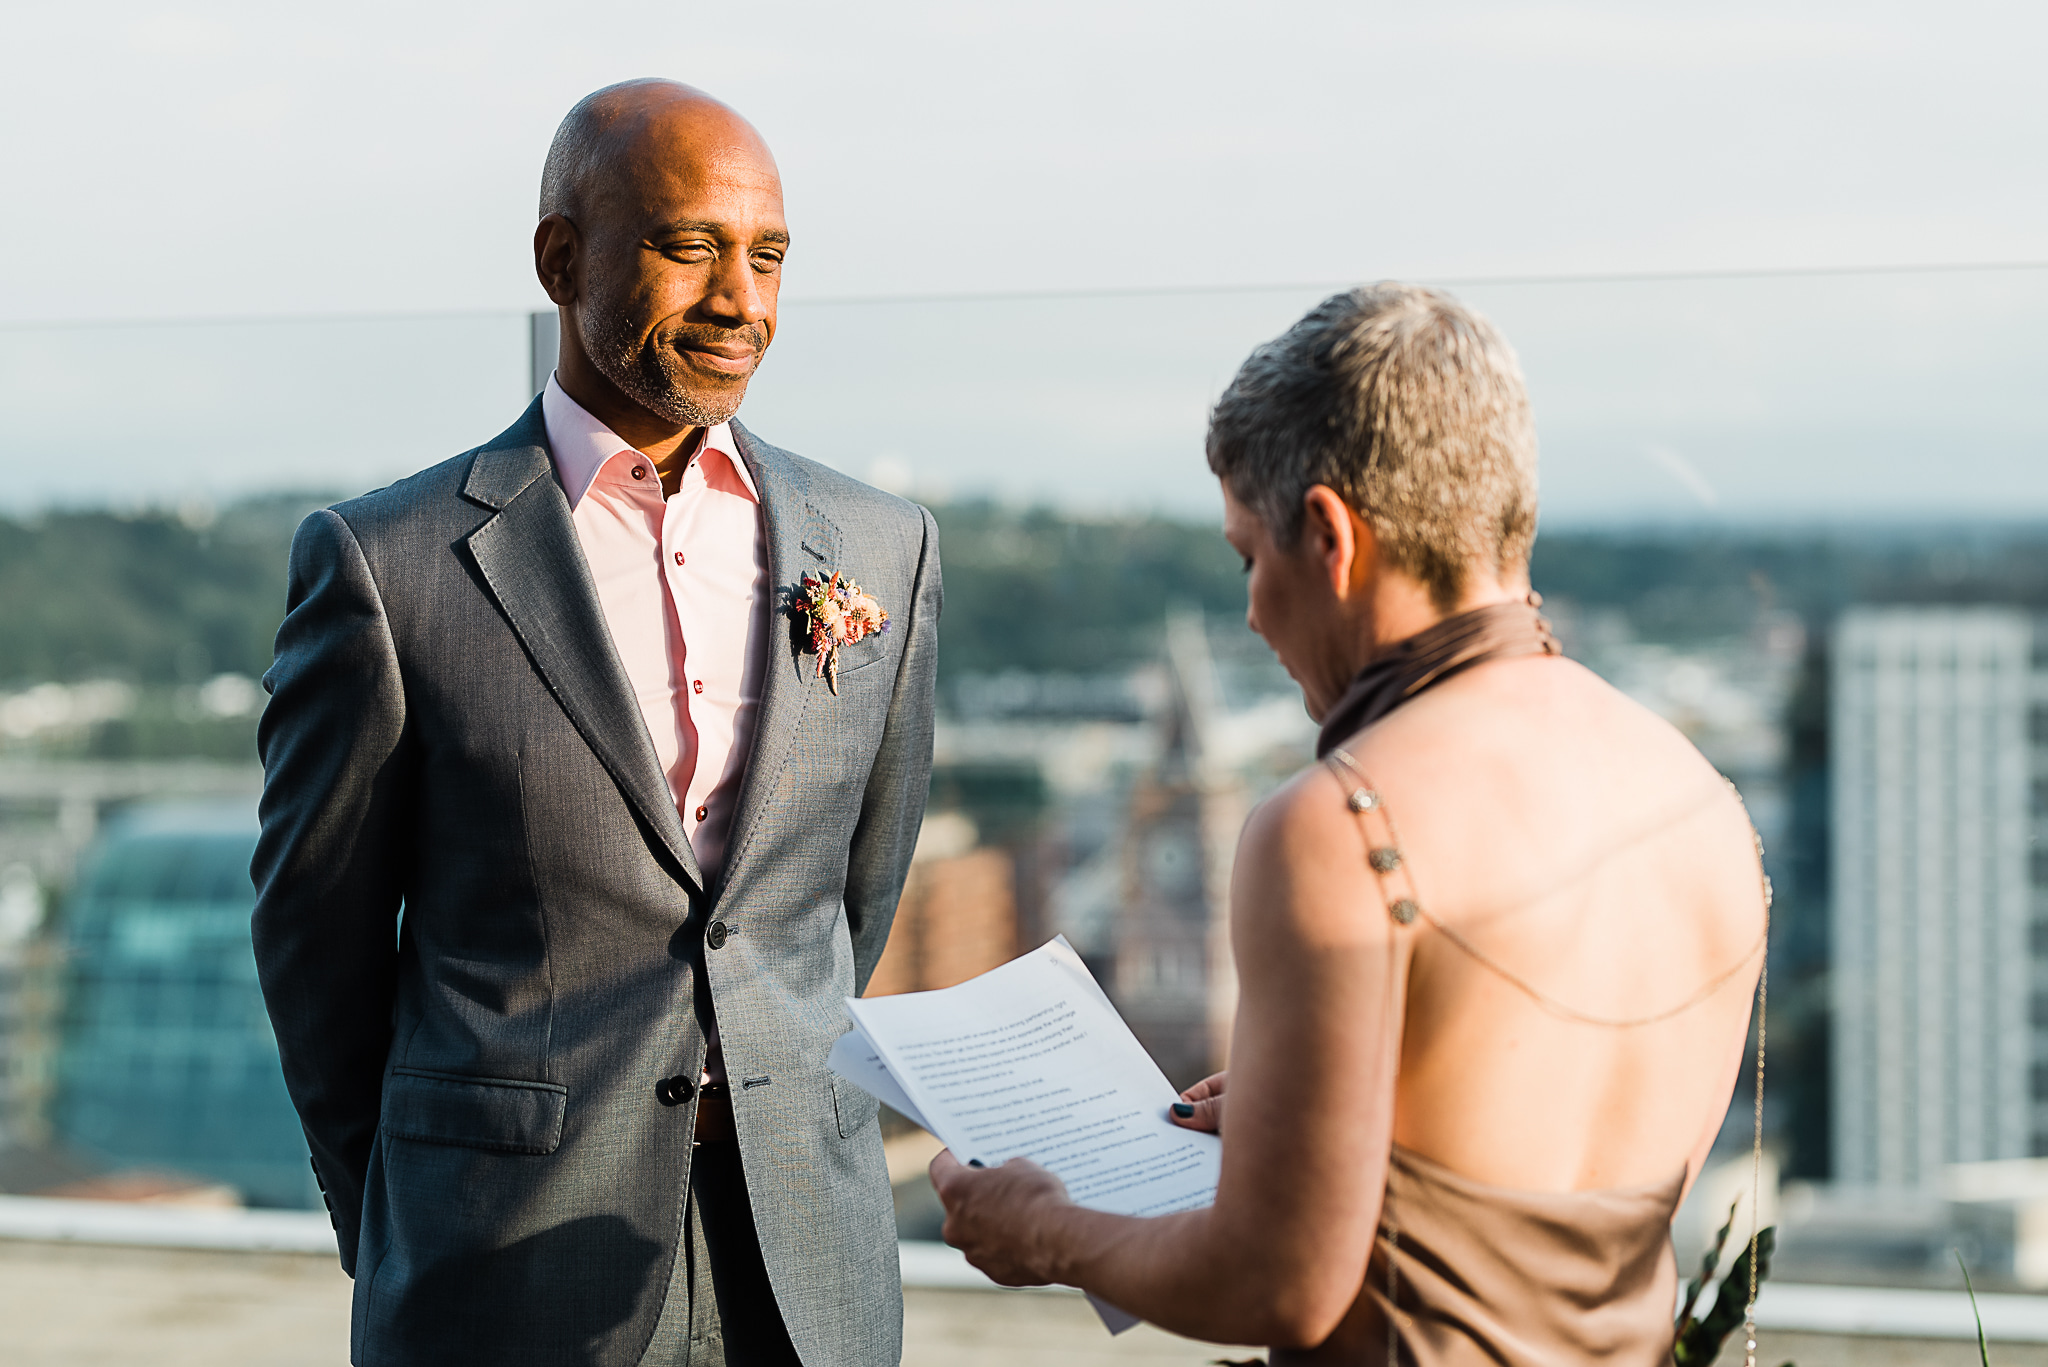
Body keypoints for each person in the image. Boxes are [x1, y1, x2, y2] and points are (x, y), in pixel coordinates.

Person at [930, 284, 1766, 1364]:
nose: (1249, 609)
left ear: (1328, 535)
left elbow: (1276, 1286)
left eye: (1248, 556)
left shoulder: (1336, 825)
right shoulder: (1694, 793)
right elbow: (1550, 1174)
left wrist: (1040, 1226)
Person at [252, 80, 939, 1367]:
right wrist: (398, 1209)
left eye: (768, 256)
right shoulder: (387, 564)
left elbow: (852, 898)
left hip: (807, 1259)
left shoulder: (883, 549)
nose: (740, 297)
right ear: (559, 258)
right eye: (691, 248)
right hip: (495, 1261)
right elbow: (317, 939)